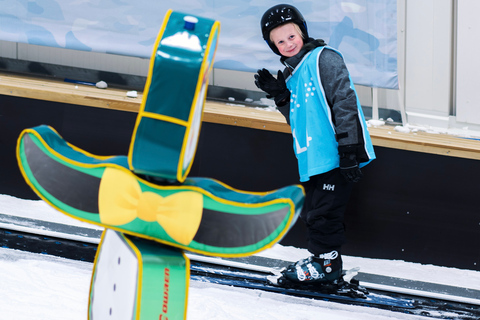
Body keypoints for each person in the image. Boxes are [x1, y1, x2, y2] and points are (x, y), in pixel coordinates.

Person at [255, 4, 375, 285]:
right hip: (314, 157)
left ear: (302, 32)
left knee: (323, 214)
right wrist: (280, 96)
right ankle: (322, 261)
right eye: (280, 41)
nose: (287, 44)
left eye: (291, 36)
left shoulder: (325, 58)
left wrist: (348, 150)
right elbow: (297, 119)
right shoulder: (289, 74)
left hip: (337, 153)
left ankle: (326, 266)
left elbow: (345, 102)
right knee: (318, 212)